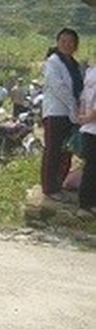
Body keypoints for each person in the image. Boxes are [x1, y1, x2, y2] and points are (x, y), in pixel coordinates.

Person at [41, 28, 82, 200]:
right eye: (63, 41)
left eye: (71, 42)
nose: (67, 45)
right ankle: (50, 188)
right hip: (56, 113)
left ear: (76, 45)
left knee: (66, 150)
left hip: (71, 114)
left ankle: (60, 183)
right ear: (58, 43)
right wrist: (73, 107)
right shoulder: (53, 62)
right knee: (53, 150)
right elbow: (59, 87)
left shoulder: (74, 64)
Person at [76, 63, 96, 218]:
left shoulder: (90, 72)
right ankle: (87, 204)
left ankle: (86, 204)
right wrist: (88, 117)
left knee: (90, 167)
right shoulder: (91, 72)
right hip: (92, 127)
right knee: (92, 168)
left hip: (88, 127)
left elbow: (83, 99)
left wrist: (83, 117)